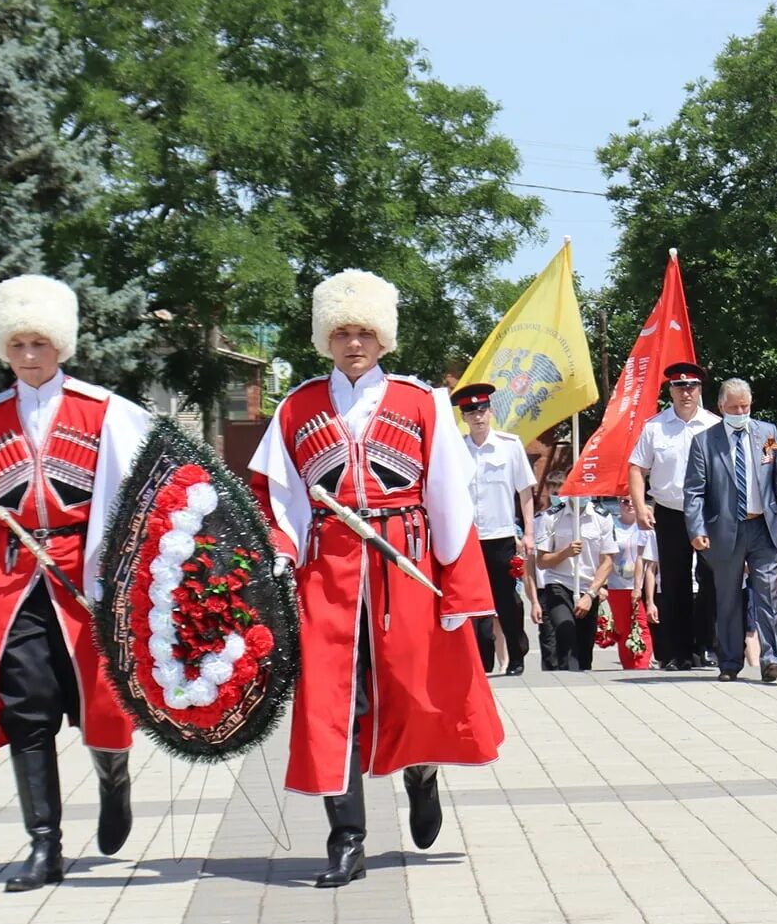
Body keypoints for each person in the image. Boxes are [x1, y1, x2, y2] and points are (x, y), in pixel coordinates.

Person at [250, 270, 504, 889]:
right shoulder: (298, 405)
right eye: (342, 332)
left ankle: (421, 775)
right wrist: (281, 554)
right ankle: (347, 840)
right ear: (326, 339)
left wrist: (461, 589)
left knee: (411, 686)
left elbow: (450, 497)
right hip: (328, 574)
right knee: (334, 703)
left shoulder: (422, 402)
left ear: (384, 339)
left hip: (406, 565)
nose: (354, 342)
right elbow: (274, 495)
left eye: (365, 331)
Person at [0, 276, 151, 892]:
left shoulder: (105, 413)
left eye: (41, 343)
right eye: (19, 343)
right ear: (5, 348)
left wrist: (120, 584)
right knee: (25, 712)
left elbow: (135, 504)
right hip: (15, 584)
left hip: (88, 581)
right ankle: (44, 845)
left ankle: (114, 779)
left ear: (61, 345)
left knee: (102, 706)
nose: (30, 355)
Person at [683, 379, 777, 682]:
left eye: (745, 406)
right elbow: (694, 491)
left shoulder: (768, 434)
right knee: (729, 599)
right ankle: (730, 661)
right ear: (721, 407)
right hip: (724, 530)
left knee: (766, 593)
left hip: (763, 526)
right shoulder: (704, 442)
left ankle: (772, 658)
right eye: (734, 407)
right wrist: (696, 528)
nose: (740, 411)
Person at [628, 362, 720, 668]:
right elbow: (637, 468)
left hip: (707, 512)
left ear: (700, 390)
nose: (686, 393)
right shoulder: (655, 427)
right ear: (671, 391)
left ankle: (705, 645)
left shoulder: (713, 425)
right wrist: (641, 506)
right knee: (675, 581)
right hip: (669, 511)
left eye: (692, 387)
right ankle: (677, 651)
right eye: (680, 387)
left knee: (710, 577)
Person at [452, 382, 536, 676]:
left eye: (482, 409)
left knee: (507, 601)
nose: (477, 416)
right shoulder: (456, 450)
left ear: (490, 411)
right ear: (464, 416)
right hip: (468, 538)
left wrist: (528, 533)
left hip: (501, 535)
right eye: (470, 411)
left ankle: (517, 654)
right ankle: (481, 660)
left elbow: (525, 492)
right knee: (473, 601)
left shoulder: (509, 446)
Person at [533, 471, 616, 671]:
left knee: (585, 648)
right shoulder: (551, 517)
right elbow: (542, 561)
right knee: (565, 630)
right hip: (559, 584)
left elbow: (607, 561)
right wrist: (565, 553)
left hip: (589, 587)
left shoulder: (601, 517)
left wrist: (591, 594)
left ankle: (580, 681)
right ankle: (567, 676)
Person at [606, 495, 658, 669]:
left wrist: (642, 591)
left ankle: (641, 666)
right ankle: (628, 666)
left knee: (641, 625)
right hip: (616, 585)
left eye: (632, 501)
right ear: (618, 503)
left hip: (639, 586)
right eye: (624, 501)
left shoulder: (645, 526)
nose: (629, 505)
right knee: (623, 629)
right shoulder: (612, 525)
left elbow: (647, 561)